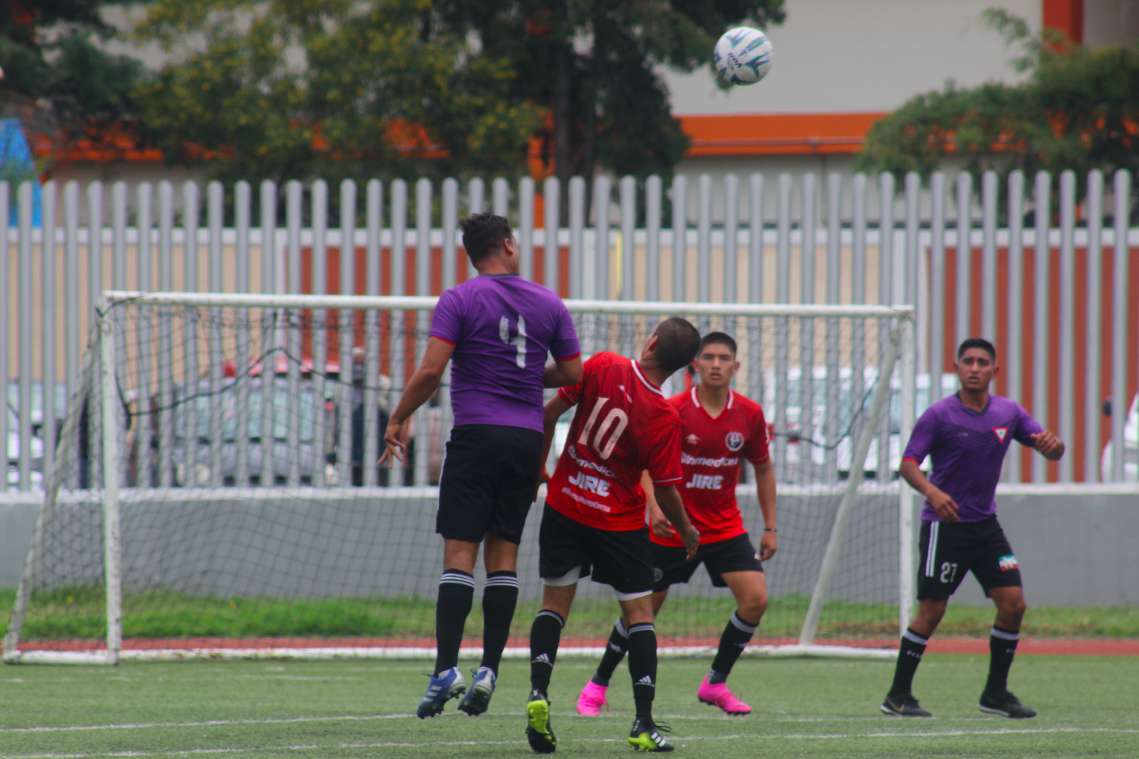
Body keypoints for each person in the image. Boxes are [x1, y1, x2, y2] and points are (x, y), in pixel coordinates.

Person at [381, 212, 583, 719]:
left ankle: (446, 667)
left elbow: (431, 370)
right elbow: (574, 375)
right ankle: (489, 669)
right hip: (524, 439)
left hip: (475, 437)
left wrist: (399, 416)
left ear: (473, 253)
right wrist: (524, 372)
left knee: (458, 556)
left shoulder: (460, 299)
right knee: (505, 557)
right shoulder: (547, 302)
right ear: (509, 245)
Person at [575, 331, 777, 718]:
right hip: (673, 528)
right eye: (709, 357)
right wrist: (654, 506)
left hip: (724, 528)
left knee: (756, 599)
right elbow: (647, 464)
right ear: (694, 365)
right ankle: (598, 683)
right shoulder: (673, 409)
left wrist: (771, 526)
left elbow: (764, 467)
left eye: (724, 358)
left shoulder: (749, 414)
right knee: (642, 612)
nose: (716, 365)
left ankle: (715, 683)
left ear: (736, 367)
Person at [525, 317, 701, 754]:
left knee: (554, 605)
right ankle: (642, 721)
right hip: (617, 523)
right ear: (681, 366)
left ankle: (538, 694)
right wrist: (687, 530)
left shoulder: (604, 364)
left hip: (565, 505)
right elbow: (665, 487)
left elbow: (548, 413)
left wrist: (539, 470)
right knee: (640, 614)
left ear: (652, 342)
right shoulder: (664, 414)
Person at [881, 337, 1064, 719]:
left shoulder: (1008, 413)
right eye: (968, 361)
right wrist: (932, 493)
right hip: (943, 528)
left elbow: (1049, 446)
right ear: (958, 368)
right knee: (931, 611)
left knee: (1013, 604)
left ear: (994, 371)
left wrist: (1054, 447)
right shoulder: (938, 415)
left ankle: (995, 694)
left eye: (983, 362)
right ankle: (898, 696)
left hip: (985, 527)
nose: (975, 368)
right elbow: (908, 464)